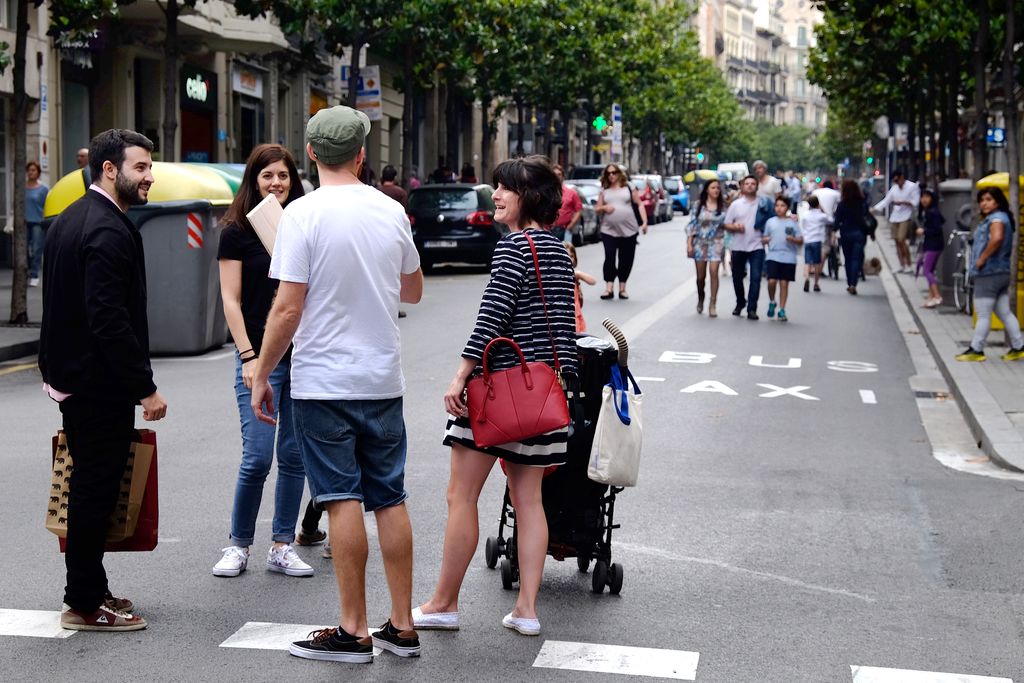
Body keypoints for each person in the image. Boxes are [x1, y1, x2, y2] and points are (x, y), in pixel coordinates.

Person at [252, 105, 424, 664]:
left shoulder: (300, 215)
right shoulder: (390, 211)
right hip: (381, 378)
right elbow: (414, 291)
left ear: (308, 155)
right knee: (390, 497)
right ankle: (402, 624)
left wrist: (260, 371)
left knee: (340, 498)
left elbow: (287, 309)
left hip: (324, 382)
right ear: (360, 155)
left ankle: (353, 630)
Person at [414, 155, 577, 638]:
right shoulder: (557, 251)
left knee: (461, 495)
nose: (495, 195)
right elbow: (564, 330)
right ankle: (526, 610)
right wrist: (563, 380)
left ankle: (444, 602)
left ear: (527, 196)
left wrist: (460, 376)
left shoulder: (512, 249)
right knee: (529, 501)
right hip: (544, 397)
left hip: (497, 396)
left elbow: (491, 320)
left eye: (504, 188)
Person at [39, 129, 167, 632]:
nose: (149, 176)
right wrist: (145, 387)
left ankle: (89, 585)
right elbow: (107, 318)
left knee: (90, 486)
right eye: (140, 167)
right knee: (94, 490)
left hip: (75, 376)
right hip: (98, 384)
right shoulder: (108, 229)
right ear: (109, 169)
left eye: (149, 167)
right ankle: (84, 602)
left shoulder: (72, 217)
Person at [213, 144, 321, 579]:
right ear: (253, 181)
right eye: (267, 176)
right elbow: (230, 299)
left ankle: (282, 543)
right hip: (259, 357)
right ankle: (238, 544)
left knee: (293, 456)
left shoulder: (304, 223)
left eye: (283, 176)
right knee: (257, 458)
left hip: (305, 357)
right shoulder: (236, 230)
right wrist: (248, 356)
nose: (276, 183)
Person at [955, 187, 1024, 362]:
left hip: (989, 272)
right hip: (1001, 271)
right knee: (1004, 312)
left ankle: (976, 349)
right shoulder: (1003, 218)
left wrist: (982, 258)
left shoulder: (996, 220)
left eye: (989, 199)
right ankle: (1018, 346)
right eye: (982, 200)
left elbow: (997, 239)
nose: (984, 203)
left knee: (983, 313)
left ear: (998, 201)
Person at [595, 164, 647, 300]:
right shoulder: (604, 190)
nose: (611, 175)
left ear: (619, 173)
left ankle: (622, 288)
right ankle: (609, 288)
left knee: (626, 258)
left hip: (629, 230)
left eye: (614, 172)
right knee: (610, 256)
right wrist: (605, 208)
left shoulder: (628, 187)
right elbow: (597, 208)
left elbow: (639, 204)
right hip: (608, 229)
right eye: (608, 173)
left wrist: (645, 222)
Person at [723, 175, 765, 319]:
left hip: (757, 245)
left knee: (756, 278)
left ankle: (752, 308)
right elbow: (726, 224)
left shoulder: (763, 204)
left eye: (753, 183)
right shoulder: (736, 205)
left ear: (757, 186)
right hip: (738, 245)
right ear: (742, 186)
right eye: (746, 183)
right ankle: (740, 301)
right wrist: (735, 226)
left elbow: (774, 218)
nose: (750, 186)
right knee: (737, 277)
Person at [686, 178, 727, 317]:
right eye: (713, 187)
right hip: (700, 243)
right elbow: (692, 225)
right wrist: (689, 243)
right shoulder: (698, 205)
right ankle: (701, 297)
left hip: (717, 242)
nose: (716, 190)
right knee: (700, 277)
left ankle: (713, 303)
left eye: (717, 188)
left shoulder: (723, 206)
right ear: (707, 190)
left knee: (714, 272)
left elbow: (730, 221)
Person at [763, 196, 803, 322]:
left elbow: (800, 240)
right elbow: (764, 237)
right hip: (773, 255)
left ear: (787, 207)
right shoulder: (770, 222)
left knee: (784, 283)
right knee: (772, 281)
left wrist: (793, 239)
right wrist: (766, 240)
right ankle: (772, 301)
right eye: (777, 205)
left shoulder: (793, 223)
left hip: (789, 257)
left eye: (782, 205)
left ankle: (782, 309)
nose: (779, 208)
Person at [872, 169, 919, 273]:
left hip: (906, 216)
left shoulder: (912, 187)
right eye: (895, 181)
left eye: (898, 180)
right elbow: (886, 201)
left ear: (902, 177)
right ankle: (901, 264)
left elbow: (916, 202)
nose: (897, 183)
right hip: (895, 217)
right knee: (897, 241)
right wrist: (874, 209)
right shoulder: (894, 188)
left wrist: (904, 202)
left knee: (901, 239)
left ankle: (908, 264)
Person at [834, 180, 870, 295]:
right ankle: (854, 283)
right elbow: (867, 218)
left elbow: (836, 222)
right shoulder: (862, 203)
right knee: (856, 259)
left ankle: (850, 283)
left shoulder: (842, 205)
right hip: (860, 234)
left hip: (846, 235)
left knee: (848, 259)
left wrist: (833, 231)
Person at [916, 189, 945, 308]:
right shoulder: (928, 211)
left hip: (933, 245)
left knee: (927, 270)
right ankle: (931, 298)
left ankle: (937, 296)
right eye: (922, 197)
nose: (924, 199)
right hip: (931, 244)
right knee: (930, 270)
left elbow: (937, 229)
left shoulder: (932, 212)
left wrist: (924, 231)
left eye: (927, 197)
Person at [25, 161, 49, 287]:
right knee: (23, 250)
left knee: (36, 250)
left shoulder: (43, 189)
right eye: (29, 170)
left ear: (38, 173)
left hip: (38, 223)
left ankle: (34, 275)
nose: (31, 172)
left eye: (33, 170)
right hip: (24, 223)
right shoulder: (22, 188)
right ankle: (27, 272)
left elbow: (47, 205)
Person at [565, 240, 596, 332]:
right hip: (568, 317)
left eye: (571, 256)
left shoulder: (575, 275)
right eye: (567, 256)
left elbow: (593, 281)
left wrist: (578, 274)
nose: (570, 259)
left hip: (577, 315)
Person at [801, 195, 829, 292]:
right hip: (817, 240)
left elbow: (803, 226)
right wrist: (823, 210)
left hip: (808, 240)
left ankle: (807, 278)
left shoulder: (805, 215)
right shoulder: (821, 216)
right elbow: (831, 221)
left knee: (807, 262)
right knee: (817, 262)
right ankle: (816, 283)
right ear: (818, 204)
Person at [551, 164, 582, 242]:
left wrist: (571, 225)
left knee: (566, 252)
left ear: (563, 176)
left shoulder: (571, 193)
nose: (557, 177)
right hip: (549, 229)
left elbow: (579, 210)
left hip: (565, 229)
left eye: (559, 174)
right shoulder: (547, 193)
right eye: (555, 175)